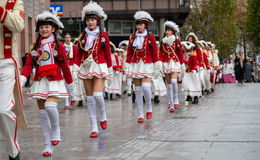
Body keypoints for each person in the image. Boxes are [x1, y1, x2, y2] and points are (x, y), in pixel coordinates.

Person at [20, 11, 73, 157]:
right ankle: (47, 145)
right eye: (41, 27)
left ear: (53, 28)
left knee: (50, 106)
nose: (44, 29)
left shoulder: (59, 46)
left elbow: (64, 66)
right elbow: (29, 65)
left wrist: (70, 84)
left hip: (54, 80)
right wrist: (23, 77)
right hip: (40, 80)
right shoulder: (35, 47)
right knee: (43, 115)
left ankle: (56, 131)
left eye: (47, 27)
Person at [77, 1, 112, 138]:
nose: (90, 22)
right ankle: (93, 127)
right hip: (86, 67)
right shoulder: (82, 37)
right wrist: (75, 67)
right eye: (88, 20)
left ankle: (102, 115)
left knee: (98, 95)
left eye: (92, 20)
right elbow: (79, 53)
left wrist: (109, 69)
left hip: (99, 66)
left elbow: (108, 54)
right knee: (89, 99)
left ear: (97, 21)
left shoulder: (103, 36)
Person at [0, 0, 27, 159]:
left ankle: (13, 151)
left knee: (3, 110)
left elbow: (18, 25)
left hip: (6, 62)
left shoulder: (14, 2)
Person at [125, 10, 162, 123]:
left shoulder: (150, 36)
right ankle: (140, 114)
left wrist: (157, 66)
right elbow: (130, 53)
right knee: (138, 91)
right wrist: (127, 66)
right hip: (136, 65)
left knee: (146, 87)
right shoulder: (132, 37)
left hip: (148, 65)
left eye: (141, 24)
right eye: (137, 24)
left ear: (145, 25)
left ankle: (149, 107)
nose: (139, 26)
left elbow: (155, 53)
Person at [159, 21, 183, 112]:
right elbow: (160, 53)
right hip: (166, 63)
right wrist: (160, 63)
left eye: (169, 30)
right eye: (166, 30)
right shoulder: (163, 42)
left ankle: (176, 99)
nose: (167, 32)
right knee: (168, 84)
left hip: (175, 62)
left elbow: (180, 53)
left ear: (173, 31)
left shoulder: (177, 42)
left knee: (173, 81)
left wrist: (182, 64)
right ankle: (171, 103)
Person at [63, 33, 84, 109]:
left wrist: (76, 68)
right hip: (64, 68)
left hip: (72, 68)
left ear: (71, 38)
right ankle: (66, 103)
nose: (67, 39)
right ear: (64, 39)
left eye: (68, 37)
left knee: (73, 84)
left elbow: (77, 58)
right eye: (66, 37)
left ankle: (73, 97)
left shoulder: (74, 47)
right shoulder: (62, 47)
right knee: (64, 85)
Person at [183, 32, 203, 104]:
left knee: (194, 82)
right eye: (189, 39)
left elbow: (200, 58)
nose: (190, 40)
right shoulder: (185, 49)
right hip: (187, 69)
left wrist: (200, 66)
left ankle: (195, 97)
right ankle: (188, 95)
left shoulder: (197, 49)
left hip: (194, 68)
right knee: (186, 82)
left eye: (191, 39)